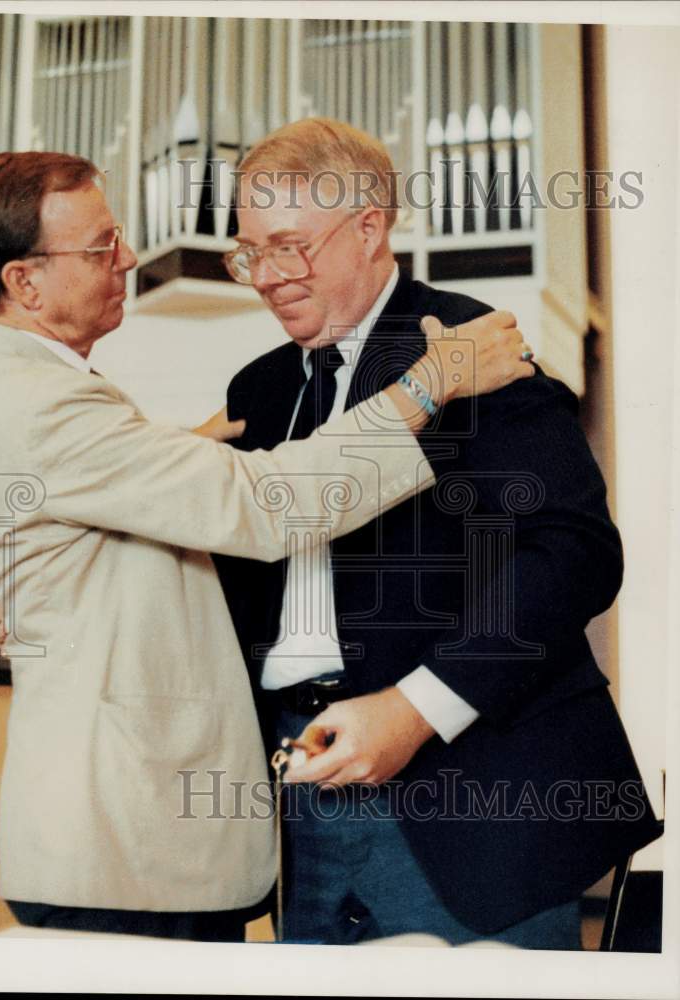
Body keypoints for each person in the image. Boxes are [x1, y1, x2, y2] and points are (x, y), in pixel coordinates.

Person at [0, 150, 532, 942]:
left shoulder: (49, 392)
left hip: (179, 831)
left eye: (118, 235)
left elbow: (567, 551)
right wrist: (431, 383)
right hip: (124, 841)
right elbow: (261, 505)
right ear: (24, 282)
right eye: (99, 247)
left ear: (370, 228)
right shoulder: (44, 402)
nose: (129, 258)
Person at [211, 118, 663, 947]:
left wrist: (416, 710)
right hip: (294, 797)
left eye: (288, 246)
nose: (267, 277)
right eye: (249, 253)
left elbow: (574, 553)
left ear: (370, 228)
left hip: (475, 801)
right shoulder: (259, 388)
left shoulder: (475, 345)